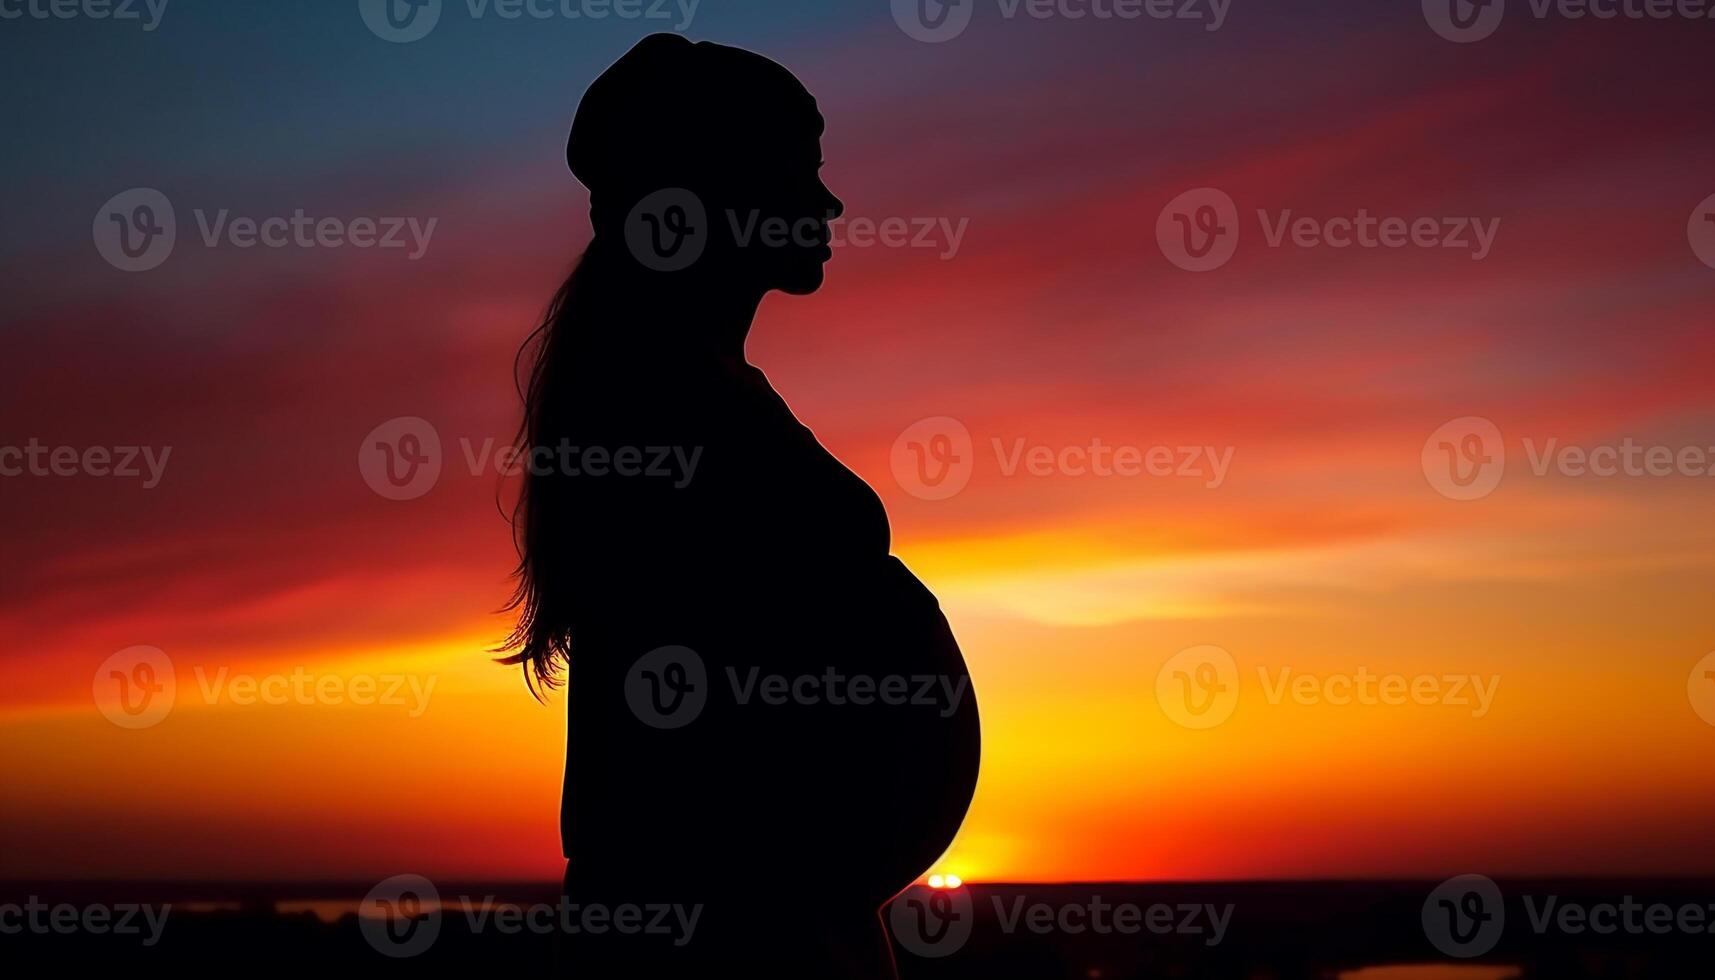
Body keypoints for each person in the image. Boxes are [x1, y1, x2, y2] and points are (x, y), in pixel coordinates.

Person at [501, 34, 981, 978]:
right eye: (800, 169)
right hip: (726, 935)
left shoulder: (699, 387)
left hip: (785, 918)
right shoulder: (659, 404)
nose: (828, 200)